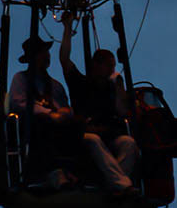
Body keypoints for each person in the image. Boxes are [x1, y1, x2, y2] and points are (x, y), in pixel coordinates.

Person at [60, 13, 140, 195]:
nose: (112, 70)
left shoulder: (111, 89)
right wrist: (67, 28)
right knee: (93, 140)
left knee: (128, 143)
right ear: (97, 65)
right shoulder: (79, 82)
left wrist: (119, 85)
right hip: (86, 136)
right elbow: (64, 60)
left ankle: (113, 184)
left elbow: (122, 111)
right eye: (109, 66)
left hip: (109, 136)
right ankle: (121, 184)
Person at [7, 34, 78, 188]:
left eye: (47, 52)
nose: (46, 56)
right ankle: (49, 173)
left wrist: (65, 113)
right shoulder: (21, 79)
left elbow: (65, 107)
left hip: (58, 125)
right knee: (42, 124)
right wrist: (49, 115)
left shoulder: (55, 86)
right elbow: (19, 103)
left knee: (78, 126)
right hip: (35, 126)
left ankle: (74, 171)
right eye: (42, 53)